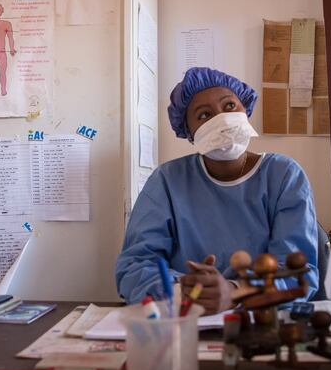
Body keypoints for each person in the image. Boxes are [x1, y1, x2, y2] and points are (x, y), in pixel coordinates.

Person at [115, 67, 319, 315]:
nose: (221, 119)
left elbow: (299, 270)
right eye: (204, 115)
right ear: (189, 133)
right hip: (186, 321)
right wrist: (186, 290)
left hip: (261, 323)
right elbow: (135, 266)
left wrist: (235, 291)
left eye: (230, 106)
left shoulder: (283, 175)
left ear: (246, 109)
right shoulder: (168, 181)